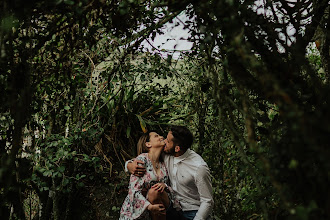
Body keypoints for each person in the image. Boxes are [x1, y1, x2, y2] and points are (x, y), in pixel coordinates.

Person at [127, 125, 214, 220]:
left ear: (177, 149)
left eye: (167, 141)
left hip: (192, 212)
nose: (164, 141)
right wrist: (128, 165)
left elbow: (207, 201)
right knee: (154, 192)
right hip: (173, 206)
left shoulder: (199, 167)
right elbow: (148, 157)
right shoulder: (166, 153)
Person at [120, 131, 179, 220]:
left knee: (155, 191)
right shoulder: (141, 160)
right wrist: (149, 207)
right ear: (148, 144)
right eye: (156, 136)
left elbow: (170, 186)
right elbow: (133, 191)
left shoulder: (163, 163)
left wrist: (164, 185)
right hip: (138, 210)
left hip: (157, 208)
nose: (161, 137)